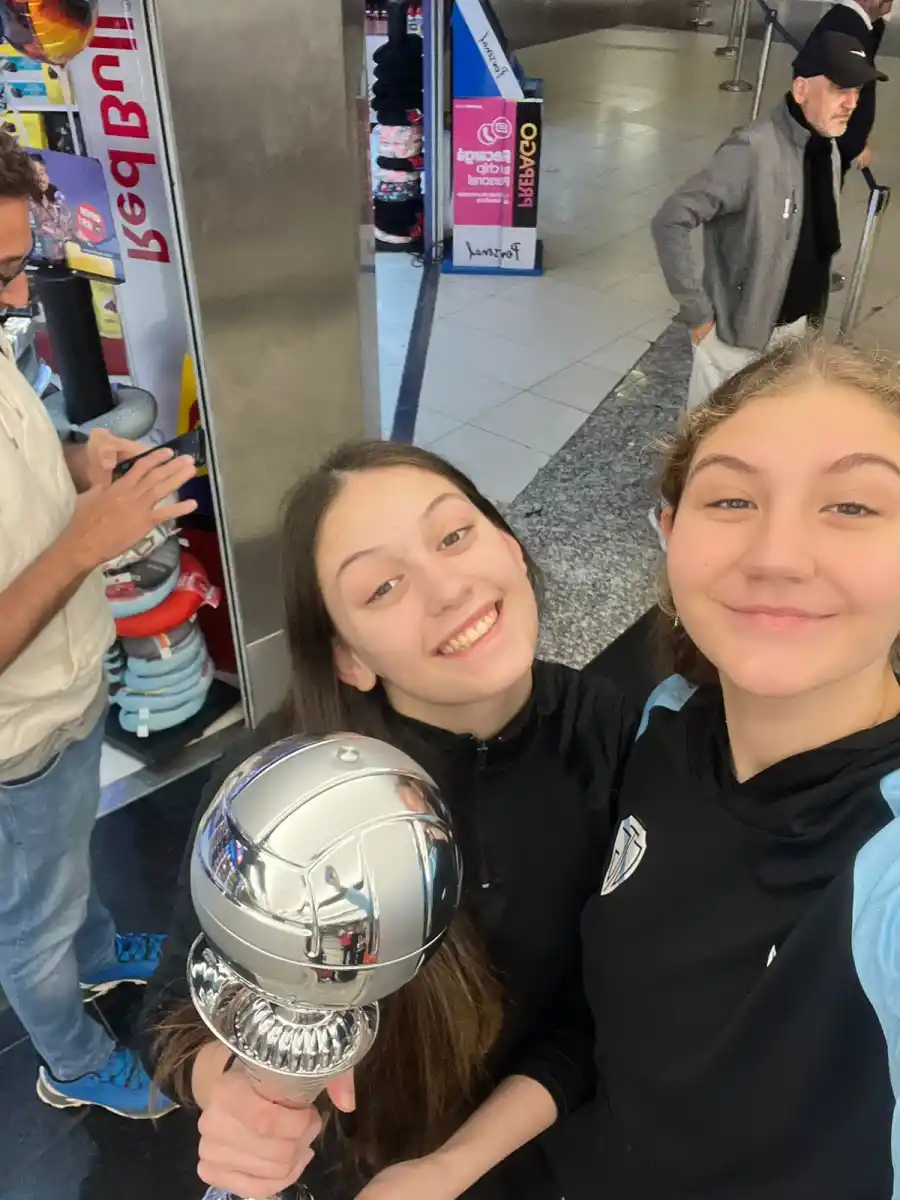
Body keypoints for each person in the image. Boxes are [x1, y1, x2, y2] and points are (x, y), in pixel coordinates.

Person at [140, 440, 638, 1200]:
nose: (447, 589)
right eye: (382, 588)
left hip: (524, 1158)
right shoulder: (279, 791)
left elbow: (597, 1012)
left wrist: (450, 1168)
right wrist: (235, 1093)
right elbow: (172, 1012)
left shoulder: (614, 733)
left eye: (454, 536)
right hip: (340, 1170)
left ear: (507, 539)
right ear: (348, 659)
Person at [545, 336, 900, 1198]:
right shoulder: (665, 723)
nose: (777, 555)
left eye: (852, 507)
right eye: (732, 498)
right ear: (668, 534)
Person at [0, 129, 198, 1118]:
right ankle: (69, 1061)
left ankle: (94, 948)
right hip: (13, 737)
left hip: (67, 693)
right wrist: (87, 542)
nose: (16, 300)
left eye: (16, 266)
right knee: (29, 918)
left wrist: (80, 467)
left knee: (67, 865)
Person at [651, 31, 886, 410]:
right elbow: (670, 219)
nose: (851, 103)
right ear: (801, 88)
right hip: (737, 342)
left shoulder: (825, 147)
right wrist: (697, 313)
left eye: (857, 91)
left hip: (796, 334)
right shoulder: (751, 151)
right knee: (709, 445)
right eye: (840, 89)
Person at [801, 0, 892, 177]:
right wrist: (854, 144)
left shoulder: (865, 25)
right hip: (827, 144)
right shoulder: (850, 29)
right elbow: (851, 90)